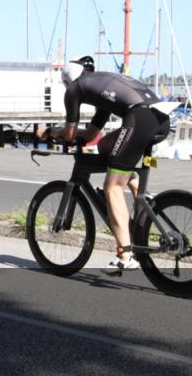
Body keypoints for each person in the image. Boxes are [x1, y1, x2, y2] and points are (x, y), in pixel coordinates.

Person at [39, 56, 171, 276]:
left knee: (112, 187)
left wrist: (52, 132)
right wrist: (76, 136)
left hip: (140, 117)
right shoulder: (101, 88)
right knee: (105, 146)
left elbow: (70, 135)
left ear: (67, 80)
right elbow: (92, 135)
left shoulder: (74, 89)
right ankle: (140, 195)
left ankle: (125, 255)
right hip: (161, 118)